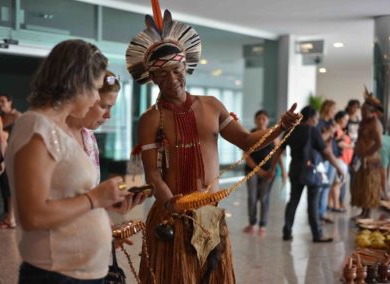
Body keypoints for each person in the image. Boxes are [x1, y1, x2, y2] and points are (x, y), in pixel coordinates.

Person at [126, 4, 301, 283]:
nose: (172, 79)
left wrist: (281, 127)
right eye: (162, 74)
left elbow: (247, 141)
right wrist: (172, 205)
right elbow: (153, 175)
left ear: (186, 65)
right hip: (171, 215)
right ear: (153, 78)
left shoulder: (211, 106)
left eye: (176, 69)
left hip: (209, 215)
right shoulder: (150, 119)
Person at [5, 39, 140, 283]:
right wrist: (95, 198)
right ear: (78, 83)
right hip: (58, 274)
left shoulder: (58, 129)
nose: (93, 101)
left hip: (78, 271)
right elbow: (32, 216)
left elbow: (66, 197)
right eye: (94, 90)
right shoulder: (37, 127)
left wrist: (103, 209)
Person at [269, 106, 344, 243]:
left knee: (293, 201)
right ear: (311, 118)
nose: (316, 122)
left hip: (296, 171)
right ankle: (317, 234)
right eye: (316, 119)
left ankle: (287, 231)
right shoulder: (312, 130)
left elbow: (278, 150)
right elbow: (326, 152)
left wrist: (272, 168)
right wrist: (338, 168)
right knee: (313, 204)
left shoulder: (290, 130)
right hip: (312, 172)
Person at [67, 70, 121, 184]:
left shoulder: (89, 137)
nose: (108, 115)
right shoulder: (53, 135)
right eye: (104, 106)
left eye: (111, 108)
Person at [243, 110, 287, 236]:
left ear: (267, 120)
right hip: (252, 170)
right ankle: (252, 223)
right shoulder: (250, 134)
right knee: (252, 197)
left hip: (269, 171)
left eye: (264, 118)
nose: (261, 121)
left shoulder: (273, 134)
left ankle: (262, 225)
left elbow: (278, 154)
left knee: (263, 198)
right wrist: (258, 171)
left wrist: (284, 172)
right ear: (255, 120)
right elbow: (246, 156)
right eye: (259, 118)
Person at [351, 89, 383, 219]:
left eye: (365, 111)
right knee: (362, 185)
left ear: (372, 112)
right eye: (362, 111)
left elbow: (378, 143)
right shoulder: (364, 122)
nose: (362, 113)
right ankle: (363, 212)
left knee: (369, 185)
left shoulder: (375, 124)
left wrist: (366, 154)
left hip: (370, 159)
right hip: (361, 158)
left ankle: (368, 213)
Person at [0, 94, 21, 228]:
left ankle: (12, 217)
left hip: (14, 155)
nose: (0, 104)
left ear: (10, 102)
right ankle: (8, 214)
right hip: (2, 155)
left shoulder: (18, 116)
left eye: (3, 101)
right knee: (4, 186)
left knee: (11, 186)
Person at [317, 100, 338, 224]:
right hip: (322, 158)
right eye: (333, 109)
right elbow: (319, 139)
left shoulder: (332, 122)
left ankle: (322, 213)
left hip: (332, 157)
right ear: (327, 109)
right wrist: (330, 131)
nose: (334, 112)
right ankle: (317, 214)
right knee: (321, 186)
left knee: (327, 186)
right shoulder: (319, 122)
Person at [328, 111, 352, 212]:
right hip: (339, 160)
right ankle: (336, 205)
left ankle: (331, 204)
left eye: (347, 119)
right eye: (345, 119)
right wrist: (352, 146)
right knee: (338, 183)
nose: (346, 121)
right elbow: (338, 143)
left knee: (337, 183)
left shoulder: (340, 130)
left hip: (343, 161)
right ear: (339, 119)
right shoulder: (337, 129)